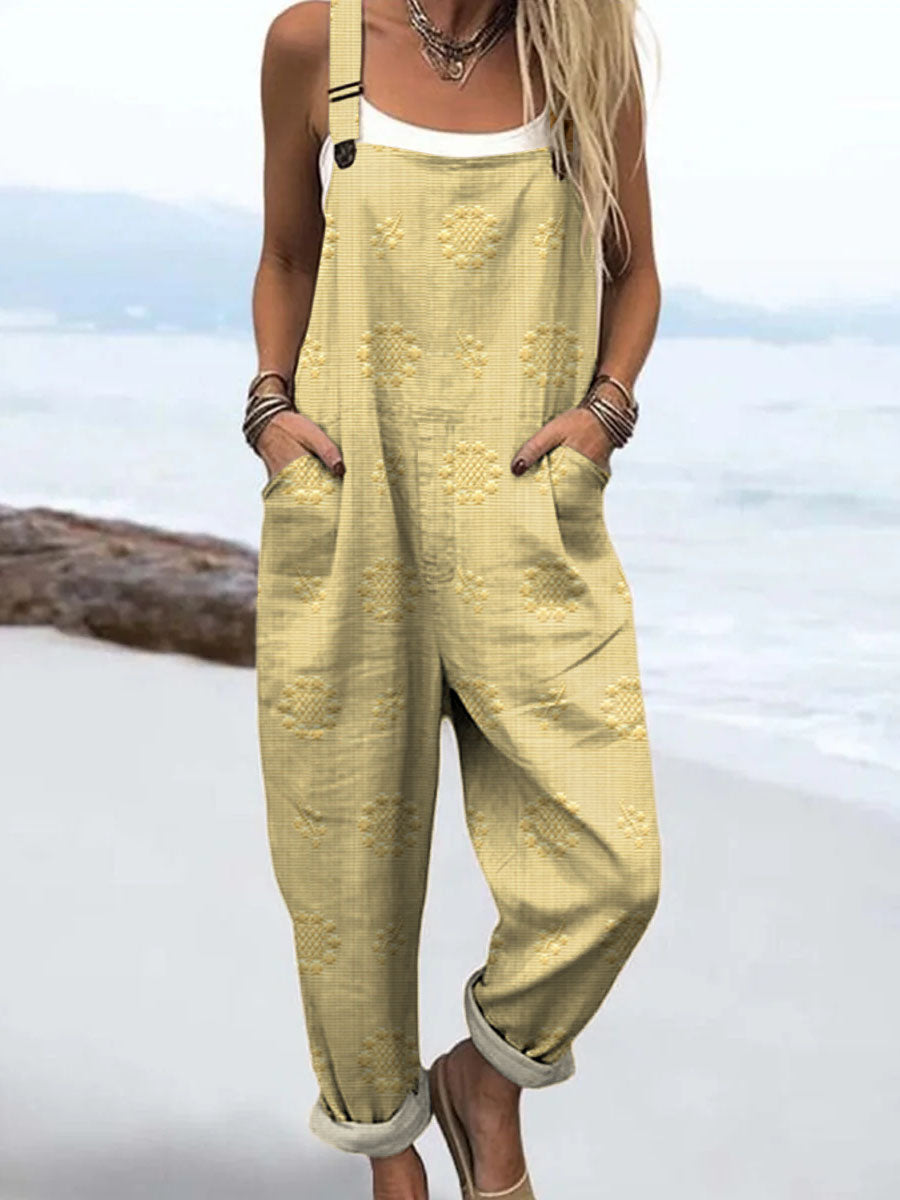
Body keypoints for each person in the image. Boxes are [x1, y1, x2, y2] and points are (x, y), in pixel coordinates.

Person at [248, 2, 661, 1197]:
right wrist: (270, 409)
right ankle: (390, 1155)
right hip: (349, 507)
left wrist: (605, 416)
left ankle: (487, 1077)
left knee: (613, 868)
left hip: (526, 517)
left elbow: (633, 273)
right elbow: (288, 258)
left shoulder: (585, 56)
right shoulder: (314, 45)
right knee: (345, 873)